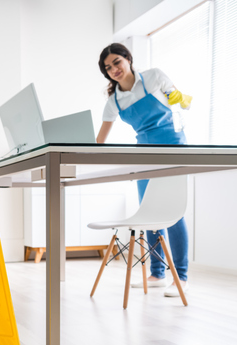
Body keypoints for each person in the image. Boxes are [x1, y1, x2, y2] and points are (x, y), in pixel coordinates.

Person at [95, 43, 190, 297]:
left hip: (172, 147)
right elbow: (99, 142)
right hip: (144, 154)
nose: (114, 69)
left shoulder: (154, 77)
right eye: (108, 68)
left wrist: (183, 100)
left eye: (117, 62)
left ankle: (181, 277)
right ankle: (157, 274)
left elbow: (179, 103)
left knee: (173, 213)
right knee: (149, 213)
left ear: (128, 59)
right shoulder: (114, 101)